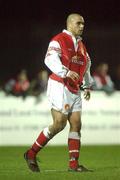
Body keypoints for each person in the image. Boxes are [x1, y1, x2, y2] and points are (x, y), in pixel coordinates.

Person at [24, 13, 93, 172]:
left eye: (83, 24)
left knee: (76, 123)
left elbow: (87, 65)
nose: (82, 26)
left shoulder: (81, 45)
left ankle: (74, 166)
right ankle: (31, 153)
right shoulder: (59, 39)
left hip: (75, 89)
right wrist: (65, 72)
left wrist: (88, 86)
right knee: (59, 124)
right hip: (59, 85)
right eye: (78, 23)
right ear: (69, 24)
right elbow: (49, 59)